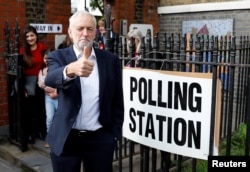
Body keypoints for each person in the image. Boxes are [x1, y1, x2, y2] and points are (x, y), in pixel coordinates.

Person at [45, 10, 124, 172]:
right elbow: (51, 78)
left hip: (99, 139)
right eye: (80, 28)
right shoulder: (57, 56)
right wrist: (70, 70)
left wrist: (113, 136)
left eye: (89, 29)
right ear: (70, 32)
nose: (85, 33)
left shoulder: (110, 61)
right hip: (67, 139)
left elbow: (117, 101)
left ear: (95, 32)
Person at [20, 25, 47, 147]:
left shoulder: (42, 47)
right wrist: (23, 88)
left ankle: (41, 131)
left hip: (41, 79)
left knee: (41, 108)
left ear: (36, 35)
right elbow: (19, 71)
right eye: (27, 36)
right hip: (28, 81)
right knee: (29, 109)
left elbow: (48, 62)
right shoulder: (22, 50)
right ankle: (30, 133)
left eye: (32, 35)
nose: (30, 38)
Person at [37, 49, 58, 148]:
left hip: (59, 97)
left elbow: (61, 83)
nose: (47, 60)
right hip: (48, 98)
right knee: (49, 118)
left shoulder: (59, 69)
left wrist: (56, 91)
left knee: (60, 118)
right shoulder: (42, 71)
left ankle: (60, 139)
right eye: (46, 58)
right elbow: (41, 84)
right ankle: (50, 139)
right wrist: (53, 90)